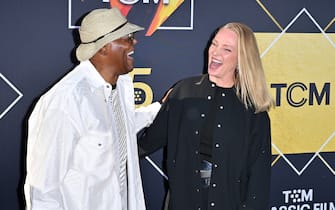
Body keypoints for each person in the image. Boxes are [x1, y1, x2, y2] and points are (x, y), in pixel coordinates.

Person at [24, 8, 161, 210]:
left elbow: (119, 130)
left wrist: (160, 108)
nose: (135, 42)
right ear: (104, 47)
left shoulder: (122, 83)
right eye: (128, 38)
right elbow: (43, 189)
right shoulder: (65, 101)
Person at [138, 22, 275, 210]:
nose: (216, 53)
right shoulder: (183, 91)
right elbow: (146, 144)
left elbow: (258, 179)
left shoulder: (253, 110)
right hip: (183, 202)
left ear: (241, 59)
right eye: (214, 44)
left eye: (226, 49)